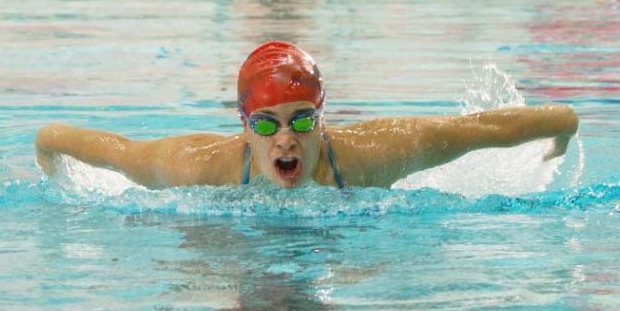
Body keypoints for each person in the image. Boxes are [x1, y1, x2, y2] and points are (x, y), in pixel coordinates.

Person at [35, 42, 577, 190]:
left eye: (300, 120)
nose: (284, 139)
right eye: (266, 124)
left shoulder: (378, 152)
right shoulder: (194, 165)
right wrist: (48, 152)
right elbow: (98, 147)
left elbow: (481, 131)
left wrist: (563, 130)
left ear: (321, 117)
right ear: (244, 127)